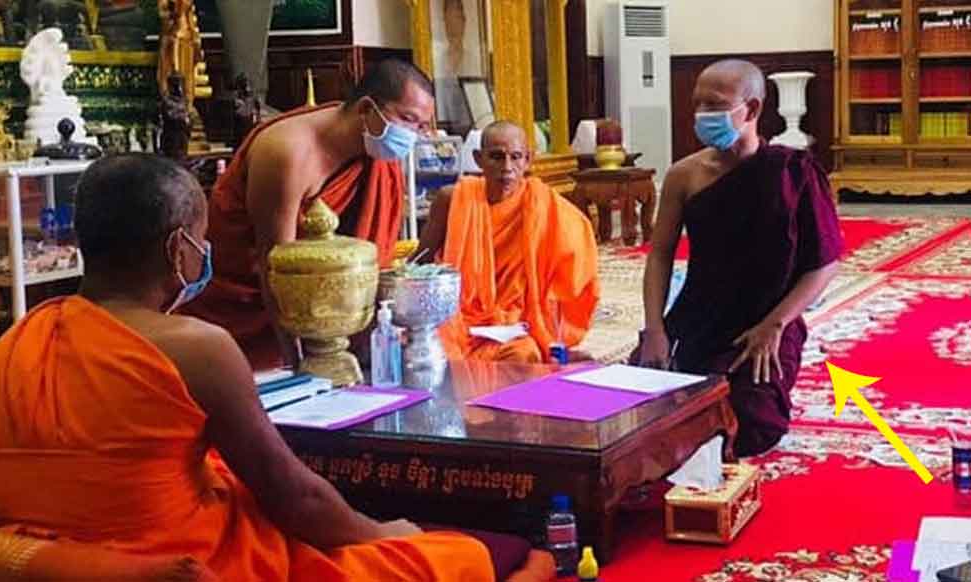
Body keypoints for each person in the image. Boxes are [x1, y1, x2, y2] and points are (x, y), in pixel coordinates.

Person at [0, 154, 494, 581]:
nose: (205, 251)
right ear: (178, 249)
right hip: (182, 561)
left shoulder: (12, 344)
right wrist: (384, 533)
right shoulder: (196, 346)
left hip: (33, 565)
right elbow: (294, 496)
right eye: (202, 238)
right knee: (459, 557)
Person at [635, 59, 843, 457]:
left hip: (766, 321)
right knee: (643, 408)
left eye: (714, 105)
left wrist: (775, 325)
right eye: (697, 104)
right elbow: (660, 255)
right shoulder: (683, 175)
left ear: (751, 109)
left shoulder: (793, 171)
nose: (702, 115)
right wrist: (655, 330)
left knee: (750, 424)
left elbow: (825, 262)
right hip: (697, 318)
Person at [183, 59, 435, 369]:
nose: (414, 135)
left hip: (338, 316)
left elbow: (375, 251)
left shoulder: (376, 150)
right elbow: (276, 271)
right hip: (251, 317)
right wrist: (298, 367)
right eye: (408, 120)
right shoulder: (287, 152)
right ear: (366, 108)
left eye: (421, 126)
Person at [416, 121, 600, 363]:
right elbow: (421, 261)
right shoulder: (453, 199)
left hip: (517, 322)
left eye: (516, 157)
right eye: (496, 157)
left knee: (524, 355)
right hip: (459, 317)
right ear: (478, 159)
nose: (507, 167)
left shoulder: (542, 204)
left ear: (528, 160)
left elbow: (577, 258)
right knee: (433, 354)